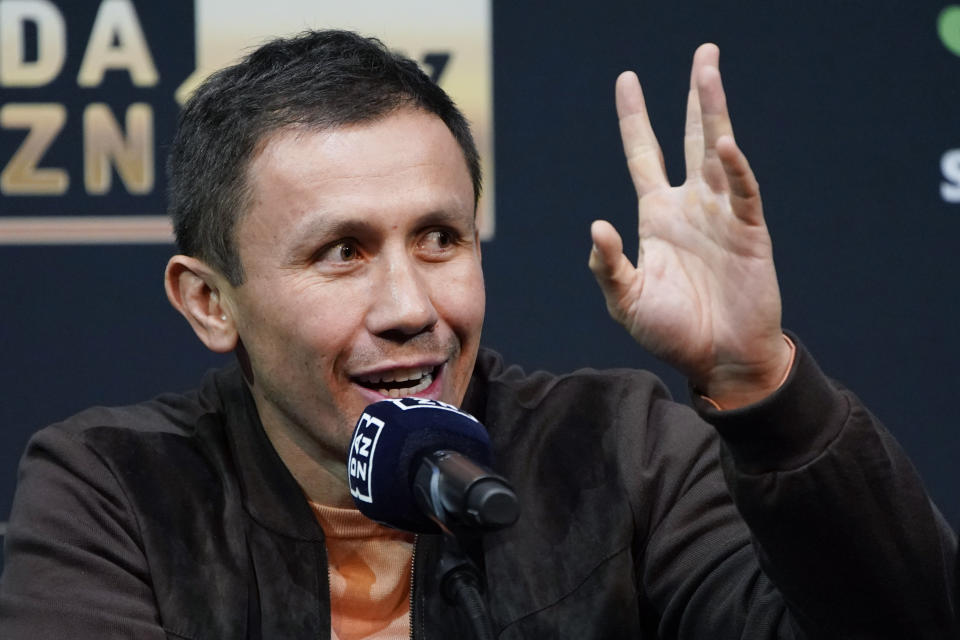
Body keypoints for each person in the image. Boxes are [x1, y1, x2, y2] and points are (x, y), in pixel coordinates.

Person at [0, 29, 955, 639]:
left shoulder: (619, 451)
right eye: (342, 251)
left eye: (440, 238)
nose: (412, 305)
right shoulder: (116, 488)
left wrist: (763, 390)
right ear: (210, 301)